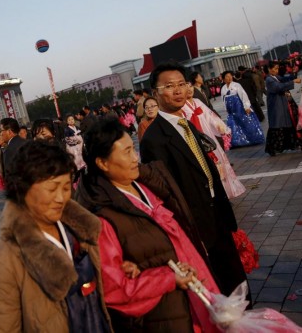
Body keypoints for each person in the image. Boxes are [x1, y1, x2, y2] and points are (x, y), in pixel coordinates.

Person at [76, 118, 221, 332]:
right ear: (102, 163)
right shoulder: (102, 218)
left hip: (197, 295)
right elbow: (113, 289)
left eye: (133, 149)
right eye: (126, 152)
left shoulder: (149, 185)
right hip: (164, 318)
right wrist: (167, 278)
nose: (135, 157)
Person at [139, 62, 249, 300]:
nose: (178, 90)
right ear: (155, 93)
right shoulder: (153, 139)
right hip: (195, 224)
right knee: (216, 288)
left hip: (217, 213)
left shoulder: (187, 124)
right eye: (169, 86)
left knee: (236, 282)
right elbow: (164, 192)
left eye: (181, 84)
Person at [0, 141, 112, 332]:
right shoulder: (0, 262)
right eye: (51, 189)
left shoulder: (77, 228)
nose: (61, 198)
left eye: (66, 188)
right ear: (23, 188)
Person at [183, 84, 245, 199]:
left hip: (208, 137)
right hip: (194, 138)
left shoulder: (198, 102)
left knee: (218, 162)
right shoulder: (181, 107)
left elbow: (211, 116)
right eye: (185, 87)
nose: (189, 89)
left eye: (190, 86)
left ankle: (225, 192)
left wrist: (223, 129)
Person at [264, 63, 302, 156]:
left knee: (296, 123)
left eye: (277, 68)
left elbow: (285, 79)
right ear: (269, 69)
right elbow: (279, 87)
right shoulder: (269, 80)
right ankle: (273, 148)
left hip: (287, 104)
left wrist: (293, 74)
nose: (276, 70)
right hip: (278, 107)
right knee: (278, 127)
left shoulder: (276, 77)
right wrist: (293, 81)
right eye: (275, 69)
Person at [220, 71, 264, 147]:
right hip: (231, 110)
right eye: (227, 76)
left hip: (239, 107)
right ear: (224, 79)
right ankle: (238, 141)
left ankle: (251, 139)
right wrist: (226, 108)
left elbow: (243, 95)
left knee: (245, 122)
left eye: (230, 76)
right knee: (233, 125)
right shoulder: (223, 88)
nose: (229, 77)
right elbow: (223, 99)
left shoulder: (237, 85)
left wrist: (246, 106)